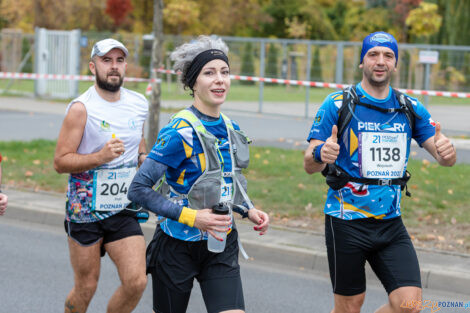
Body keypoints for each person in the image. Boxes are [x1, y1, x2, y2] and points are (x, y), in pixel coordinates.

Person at [304, 31, 456, 313]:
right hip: (345, 221)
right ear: (362, 61)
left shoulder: (409, 107)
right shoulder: (337, 103)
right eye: (373, 54)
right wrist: (320, 154)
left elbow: (443, 157)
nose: (380, 61)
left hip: (391, 223)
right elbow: (309, 164)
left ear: (395, 64)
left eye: (388, 55)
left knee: (409, 305)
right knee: (350, 307)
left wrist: (448, 151)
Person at [127, 35, 269, 313]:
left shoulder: (231, 127)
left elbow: (226, 183)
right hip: (177, 246)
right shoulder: (180, 130)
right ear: (193, 83)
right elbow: (138, 189)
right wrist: (194, 217)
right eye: (209, 73)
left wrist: (247, 210)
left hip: (220, 242)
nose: (219, 80)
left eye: (224, 72)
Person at [54, 38, 149, 313]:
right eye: (107, 61)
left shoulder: (139, 103)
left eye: (119, 61)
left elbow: (137, 140)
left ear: (126, 66)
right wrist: (100, 157)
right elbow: (60, 162)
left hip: (122, 207)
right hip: (84, 209)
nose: (114, 67)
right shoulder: (81, 108)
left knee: (136, 282)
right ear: (92, 66)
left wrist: (142, 158)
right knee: (86, 286)